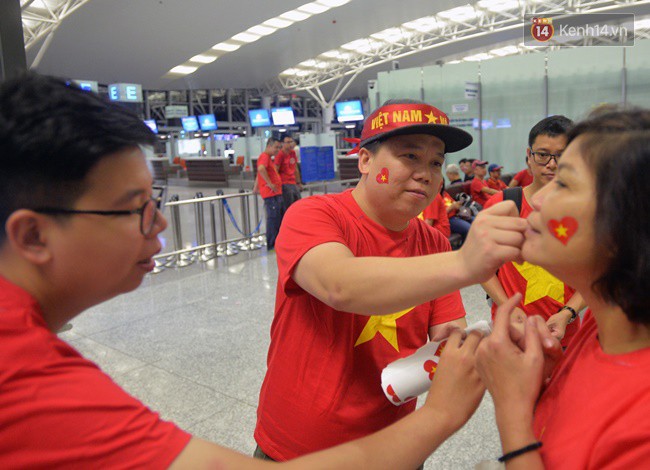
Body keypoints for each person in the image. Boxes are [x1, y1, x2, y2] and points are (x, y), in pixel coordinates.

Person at [0, 73, 490, 469]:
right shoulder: (26, 383)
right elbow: (340, 284)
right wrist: (443, 415)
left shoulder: (31, 351)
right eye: (134, 207)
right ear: (33, 237)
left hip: (392, 434)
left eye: (436, 161)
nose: (162, 222)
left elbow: (442, 326)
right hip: (303, 441)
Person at [254, 98, 529, 461]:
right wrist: (466, 262)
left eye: (435, 162)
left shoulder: (432, 242)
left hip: (396, 444)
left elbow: (446, 333)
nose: (426, 174)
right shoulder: (313, 215)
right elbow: (340, 284)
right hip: (298, 447)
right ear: (366, 161)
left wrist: (488, 344)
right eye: (409, 157)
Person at [475, 107, 650, 468]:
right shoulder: (595, 334)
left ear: (623, 224)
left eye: (565, 182)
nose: (536, 199)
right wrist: (546, 382)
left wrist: (512, 411)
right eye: (544, 161)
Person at [482, 115, 584, 347]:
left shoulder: (586, 209)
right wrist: (506, 305)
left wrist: (567, 312)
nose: (552, 163)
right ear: (529, 156)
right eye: (542, 154)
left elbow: (596, 275)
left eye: (562, 155)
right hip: (512, 330)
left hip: (565, 335)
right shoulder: (504, 204)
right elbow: (482, 265)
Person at [255, 137, 284, 250]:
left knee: (277, 218)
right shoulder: (264, 157)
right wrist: (270, 183)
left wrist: (256, 187)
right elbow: (261, 169)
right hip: (271, 195)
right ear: (269, 146)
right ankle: (272, 244)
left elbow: (259, 172)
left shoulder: (268, 158)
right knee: (273, 219)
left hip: (275, 194)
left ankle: (276, 242)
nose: (278, 150)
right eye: (276, 147)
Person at [275, 135, 303, 211]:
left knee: (298, 203)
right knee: (289, 206)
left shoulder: (292, 153)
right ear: (282, 144)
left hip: (293, 182)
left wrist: (298, 182)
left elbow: (295, 168)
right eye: (288, 142)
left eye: (291, 142)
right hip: (284, 183)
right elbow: (275, 170)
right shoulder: (280, 155)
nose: (290, 144)